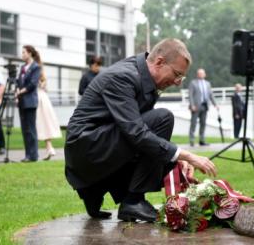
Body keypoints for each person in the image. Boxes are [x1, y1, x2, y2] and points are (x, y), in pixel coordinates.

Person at [65, 38, 217, 222]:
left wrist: (177, 160)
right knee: (163, 119)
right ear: (159, 62)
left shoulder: (142, 75)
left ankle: (95, 190)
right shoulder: (124, 76)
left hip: (97, 145)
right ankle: (132, 201)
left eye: (181, 77)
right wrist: (188, 156)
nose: (178, 82)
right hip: (87, 151)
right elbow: (136, 133)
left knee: (166, 157)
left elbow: (139, 132)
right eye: (177, 74)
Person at [16, 45, 41, 162]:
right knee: (24, 129)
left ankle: (34, 155)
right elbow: (18, 82)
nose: (22, 55)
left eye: (24, 52)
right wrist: (16, 90)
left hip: (30, 102)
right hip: (21, 102)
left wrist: (20, 92)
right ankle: (27, 155)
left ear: (30, 53)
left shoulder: (36, 67)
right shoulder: (22, 67)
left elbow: (32, 84)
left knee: (31, 129)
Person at [34, 55, 62, 161]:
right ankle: (49, 148)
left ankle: (44, 149)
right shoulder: (42, 73)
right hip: (44, 98)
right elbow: (45, 88)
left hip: (37, 98)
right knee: (44, 123)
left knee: (38, 124)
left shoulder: (34, 71)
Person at [188, 68, 218, 147]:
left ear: (205, 74)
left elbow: (211, 95)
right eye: (199, 73)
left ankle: (202, 140)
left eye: (202, 73)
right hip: (196, 106)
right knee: (193, 123)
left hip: (205, 106)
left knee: (203, 124)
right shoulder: (193, 83)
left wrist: (215, 104)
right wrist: (192, 105)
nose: (201, 75)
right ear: (197, 74)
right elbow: (190, 95)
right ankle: (192, 140)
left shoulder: (207, 83)